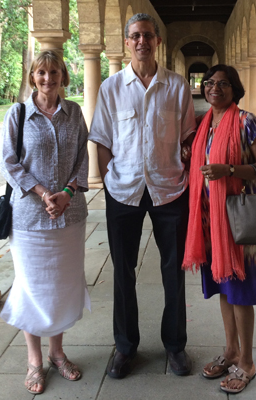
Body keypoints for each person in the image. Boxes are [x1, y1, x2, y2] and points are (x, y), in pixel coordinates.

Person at [89, 13, 196, 379]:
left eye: (147, 35)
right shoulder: (111, 87)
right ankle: (125, 346)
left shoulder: (177, 86)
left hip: (170, 189)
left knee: (174, 271)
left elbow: (186, 139)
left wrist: (183, 164)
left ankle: (175, 345)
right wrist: (108, 180)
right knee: (123, 272)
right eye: (134, 36)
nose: (141, 42)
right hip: (124, 190)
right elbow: (101, 139)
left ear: (157, 41)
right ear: (127, 41)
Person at [0, 50, 91, 395]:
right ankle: (35, 360)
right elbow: (9, 162)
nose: (47, 78)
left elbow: (84, 156)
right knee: (31, 285)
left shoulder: (74, 113)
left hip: (69, 215)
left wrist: (67, 192)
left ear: (63, 76)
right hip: (29, 218)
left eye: (54, 72)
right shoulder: (18, 113)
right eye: (41, 72)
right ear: (32, 76)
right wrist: (41, 192)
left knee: (61, 287)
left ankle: (57, 353)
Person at [182, 64, 256, 394]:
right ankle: (231, 350)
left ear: (234, 88)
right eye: (209, 83)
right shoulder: (204, 124)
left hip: (239, 223)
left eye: (222, 83)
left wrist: (230, 169)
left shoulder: (246, 122)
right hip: (210, 222)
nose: (214, 88)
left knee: (241, 292)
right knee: (224, 288)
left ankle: (247, 362)